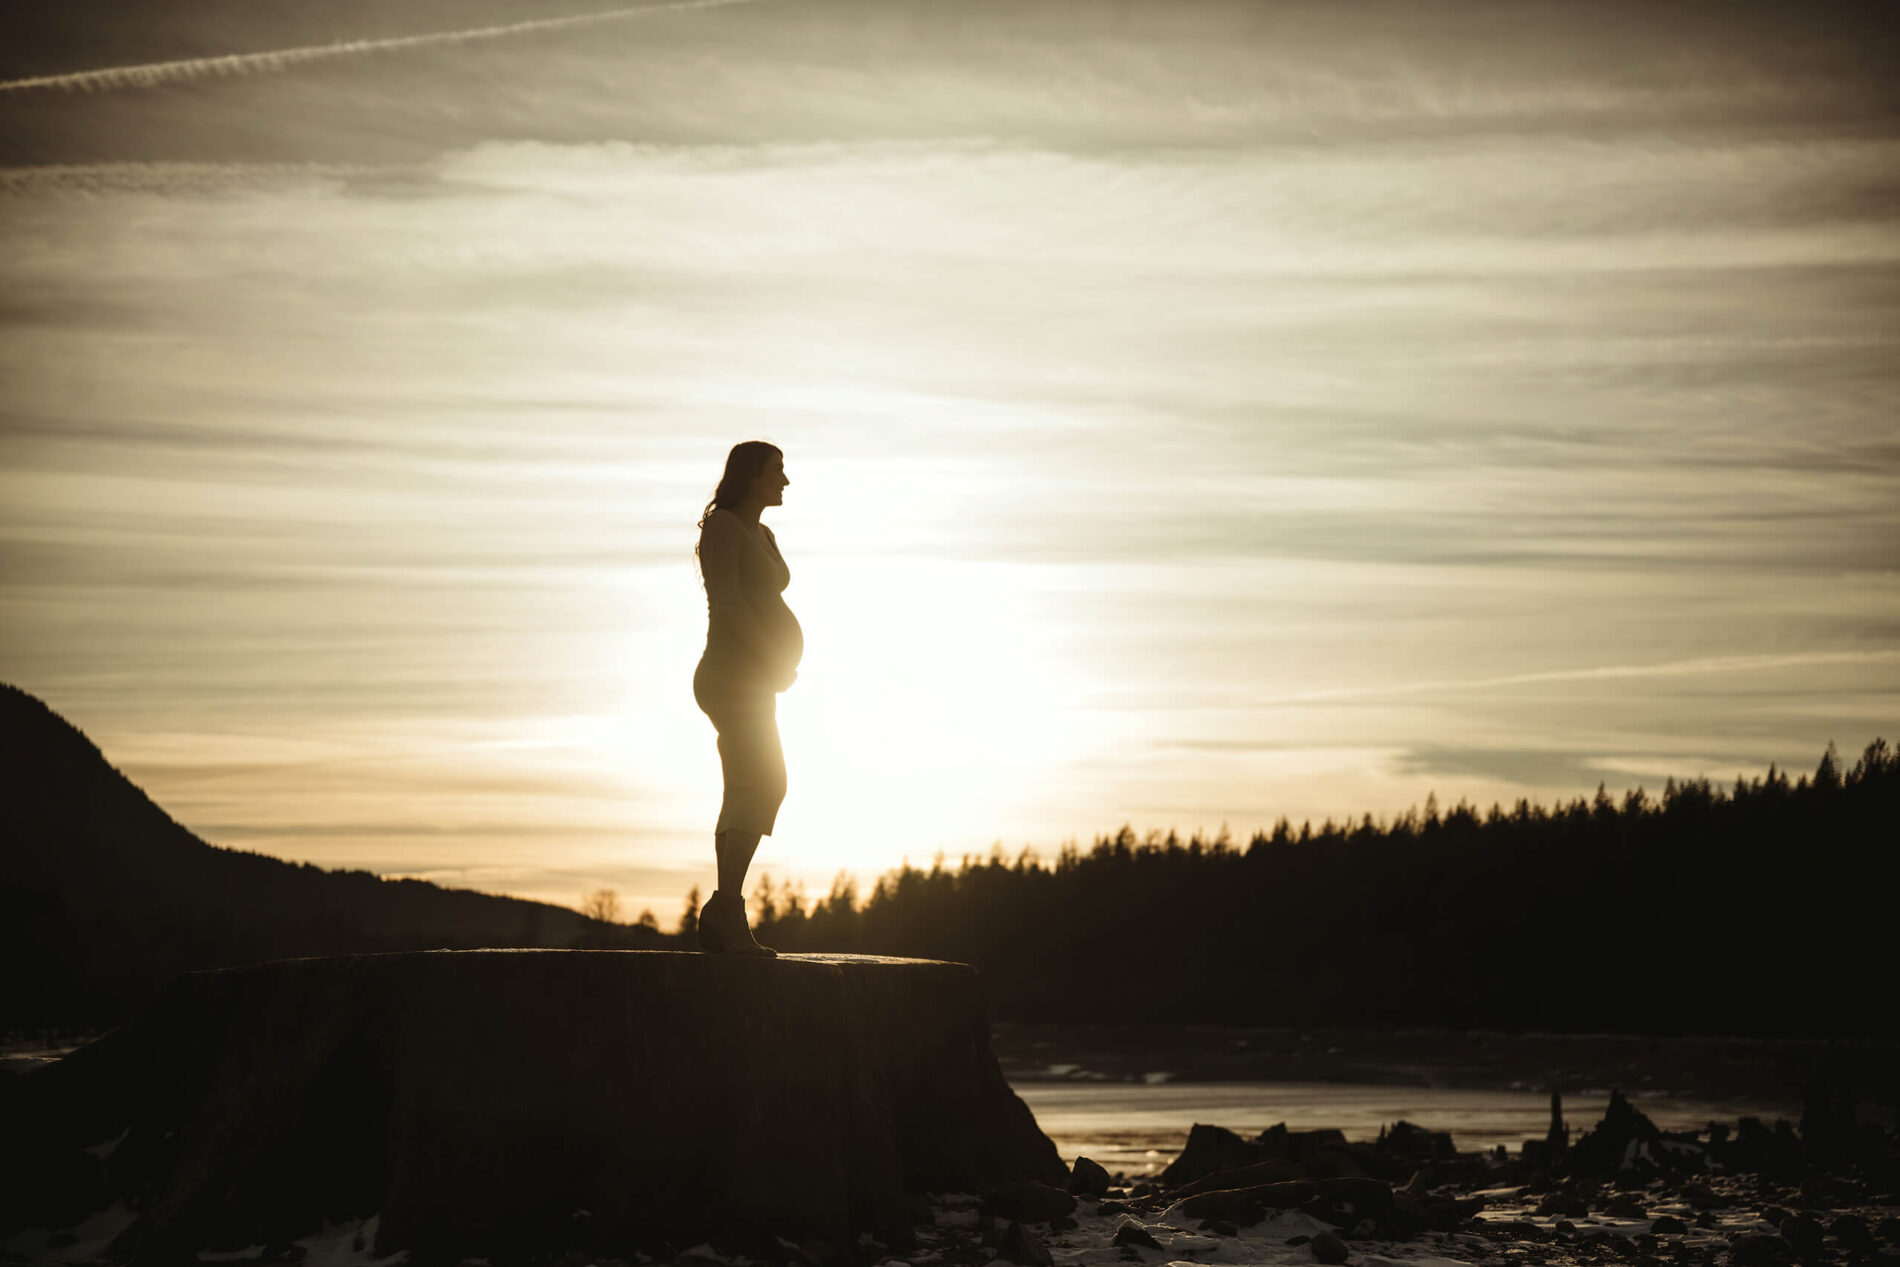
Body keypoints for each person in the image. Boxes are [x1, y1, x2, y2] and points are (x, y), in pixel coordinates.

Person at [691, 441, 802, 956]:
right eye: (777, 470)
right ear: (752, 475)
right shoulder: (723, 526)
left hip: (755, 679)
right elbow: (730, 605)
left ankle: (725, 914)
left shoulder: (764, 533)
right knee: (766, 782)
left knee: (746, 787)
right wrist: (772, 660)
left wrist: (774, 666)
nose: (785, 481)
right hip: (731, 676)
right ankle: (725, 909)